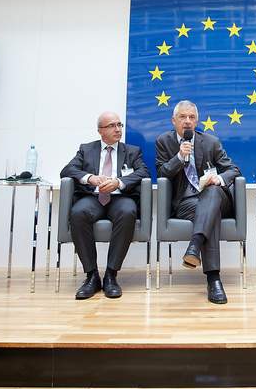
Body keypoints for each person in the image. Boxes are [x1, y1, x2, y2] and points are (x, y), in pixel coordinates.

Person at [155, 100, 241, 304]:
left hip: (216, 197)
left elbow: (233, 170)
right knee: (209, 213)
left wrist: (218, 179)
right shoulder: (164, 141)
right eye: (183, 117)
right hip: (185, 202)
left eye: (192, 117)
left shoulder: (210, 141)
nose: (187, 121)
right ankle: (213, 280)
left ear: (197, 121)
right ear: (173, 120)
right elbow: (162, 173)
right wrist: (179, 157)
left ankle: (195, 246)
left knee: (211, 193)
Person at [60, 111, 149, 300]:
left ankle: (111, 275)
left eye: (119, 125)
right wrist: (90, 178)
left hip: (120, 197)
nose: (118, 129)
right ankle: (91, 276)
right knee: (78, 212)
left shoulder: (132, 151)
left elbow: (143, 172)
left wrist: (118, 182)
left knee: (128, 211)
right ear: (100, 130)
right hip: (93, 197)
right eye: (112, 126)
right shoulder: (86, 149)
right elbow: (67, 170)